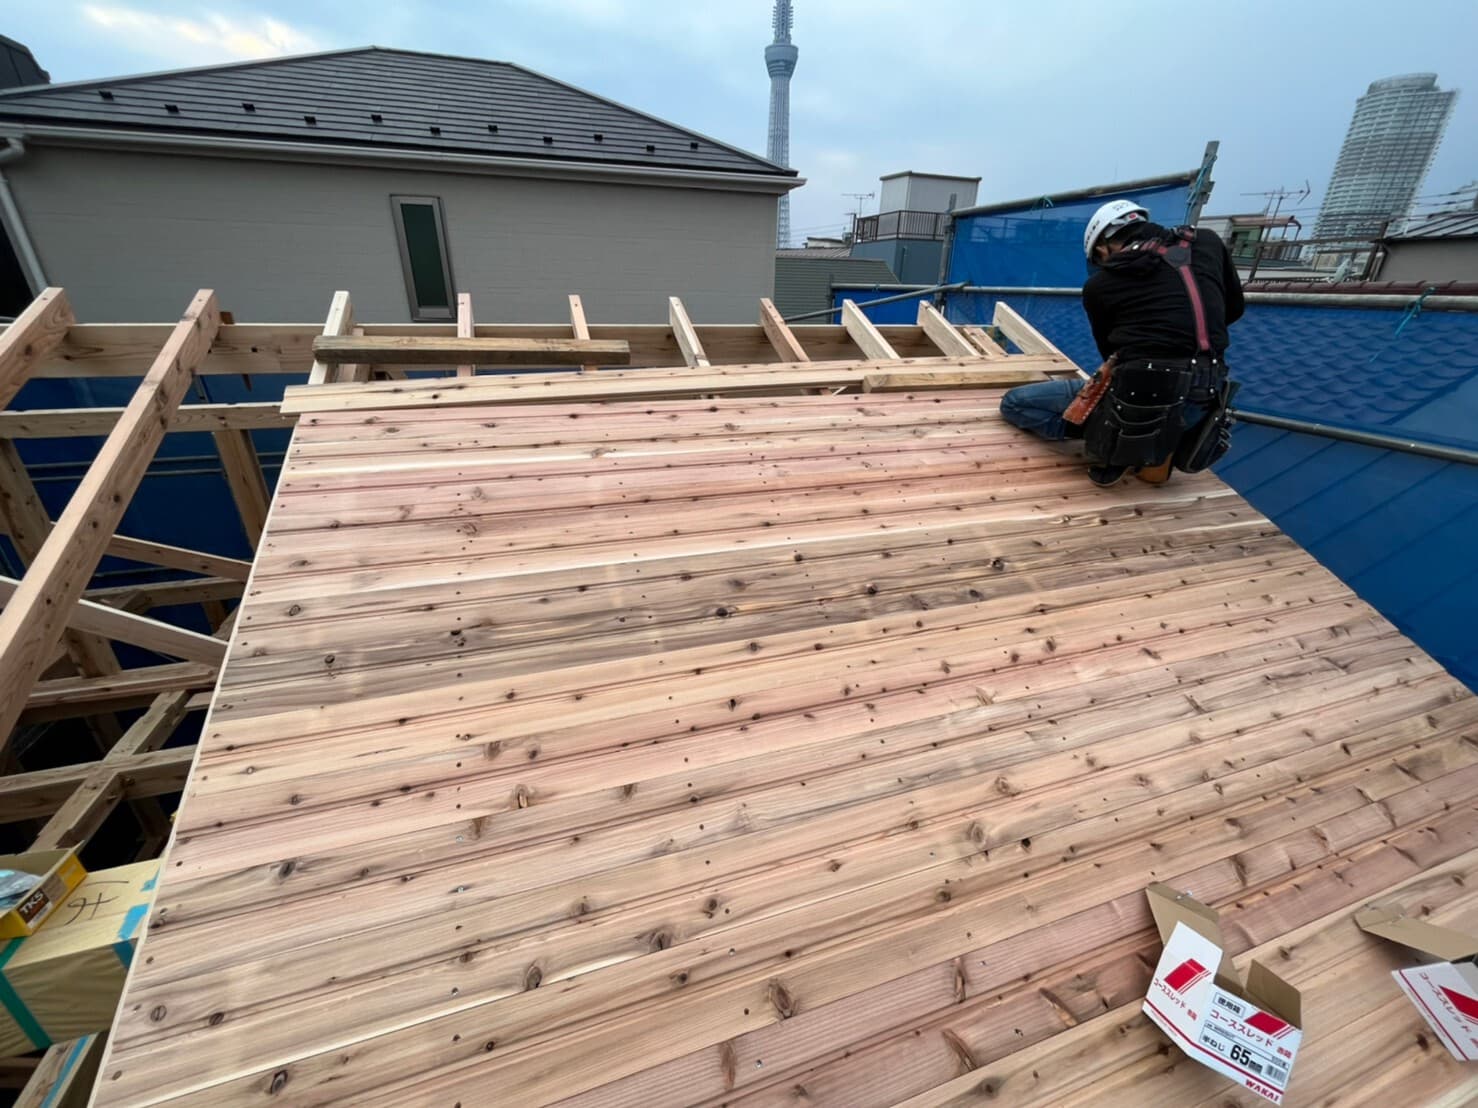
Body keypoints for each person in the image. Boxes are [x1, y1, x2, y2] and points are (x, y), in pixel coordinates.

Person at [999, 199, 1244, 486]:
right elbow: (1234, 308)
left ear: (1103, 247)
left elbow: (1112, 354)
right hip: (1204, 397)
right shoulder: (1206, 242)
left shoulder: (1101, 285)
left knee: (1014, 403)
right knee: (1167, 399)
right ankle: (1151, 445)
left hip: (1136, 407)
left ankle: (1109, 439)